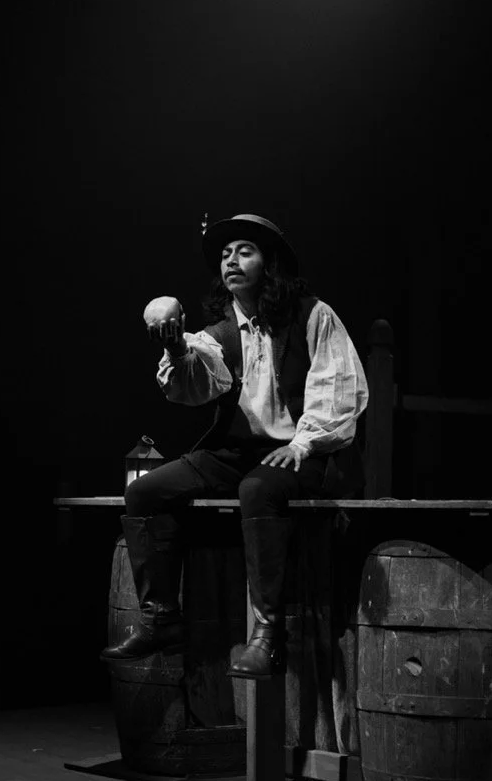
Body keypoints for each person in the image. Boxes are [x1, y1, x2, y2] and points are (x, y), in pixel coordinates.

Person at [100, 213, 369, 679]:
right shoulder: (220, 333)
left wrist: (303, 443)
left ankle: (269, 635)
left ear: (271, 263)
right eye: (225, 255)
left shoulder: (313, 314)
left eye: (245, 251)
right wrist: (176, 350)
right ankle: (160, 617)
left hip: (310, 452)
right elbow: (197, 384)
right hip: (241, 453)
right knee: (143, 492)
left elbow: (338, 387)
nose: (232, 261)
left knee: (257, 489)